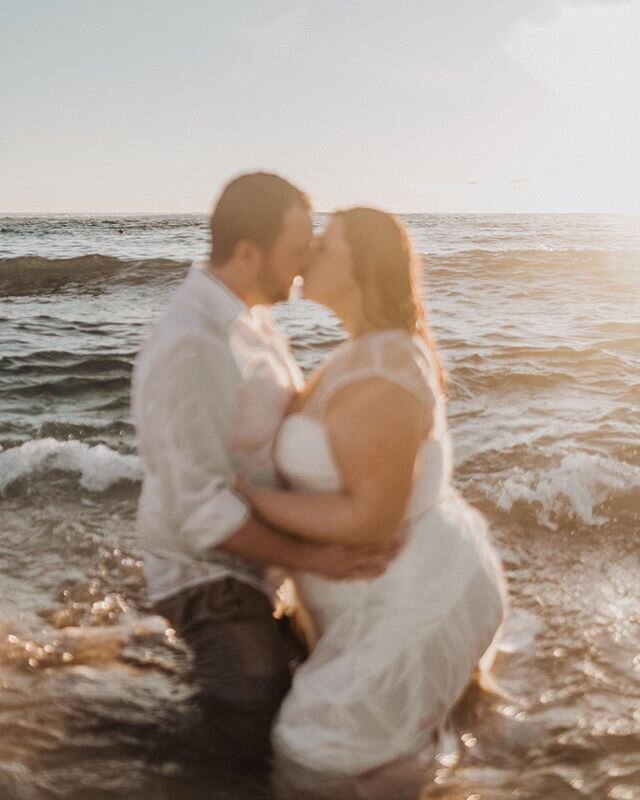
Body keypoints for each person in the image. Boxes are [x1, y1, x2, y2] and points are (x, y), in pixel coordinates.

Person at [131, 175, 397, 769]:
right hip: (208, 573)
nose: (306, 262)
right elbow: (198, 509)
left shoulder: (251, 319)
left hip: (257, 558)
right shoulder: (194, 344)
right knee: (258, 713)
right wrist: (317, 559)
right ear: (249, 253)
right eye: (297, 247)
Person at [236, 207, 508, 784]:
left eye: (326, 246)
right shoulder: (365, 350)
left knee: (314, 751)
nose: (308, 252)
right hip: (393, 590)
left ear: (362, 268)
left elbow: (371, 519)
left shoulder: (381, 373)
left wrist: (246, 502)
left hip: (416, 600)